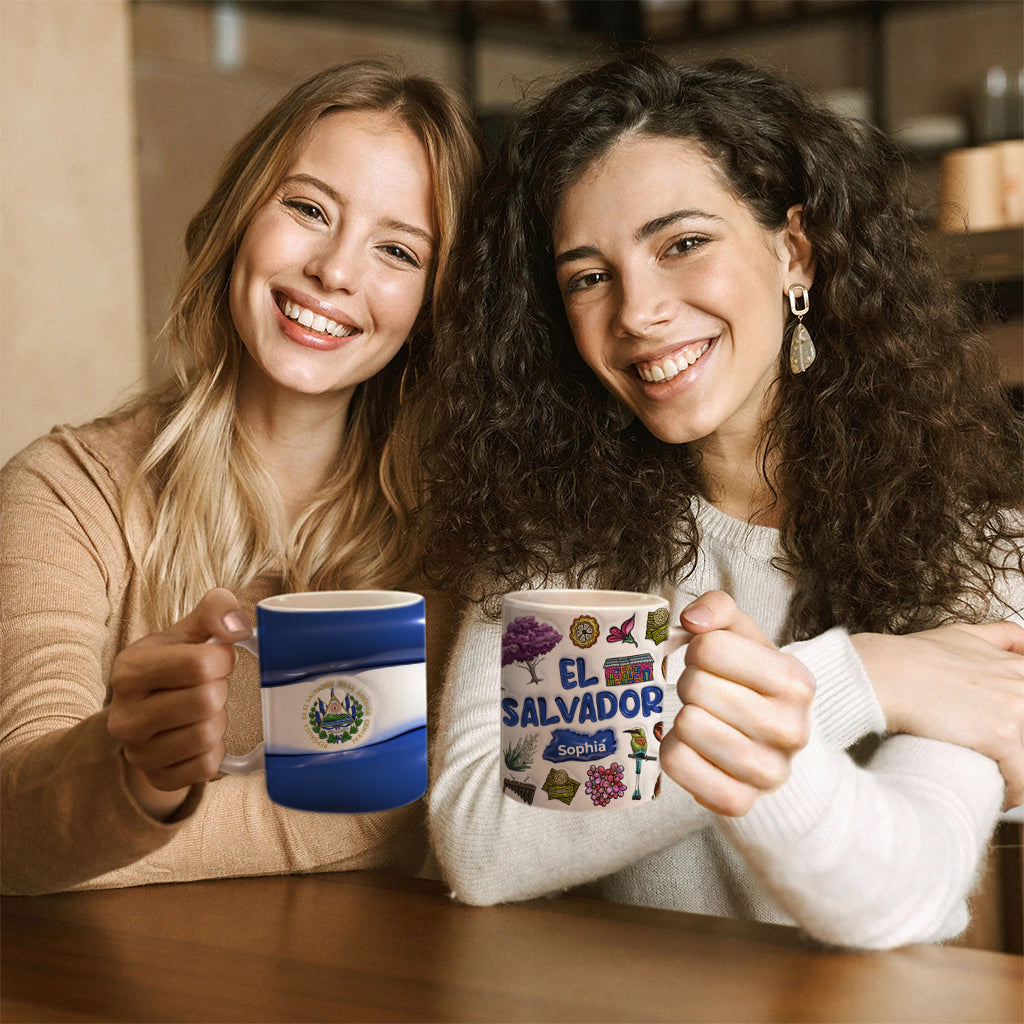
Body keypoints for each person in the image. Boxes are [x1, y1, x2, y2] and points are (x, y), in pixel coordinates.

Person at [416, 53, 1024, 949]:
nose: (637, 311)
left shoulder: (975, 545)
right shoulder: (557, 541)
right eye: (588, 276)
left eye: (682, 244)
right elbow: (483, 844)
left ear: (794, 252)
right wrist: (858, 676)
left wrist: (770, 695)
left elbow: (900, 891)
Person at [0, 59, 482, 895]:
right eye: (306, 208)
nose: (335, 270)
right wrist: (137, 776)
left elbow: (430, 804)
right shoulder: (65, 492)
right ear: (237, 220)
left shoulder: (458, 532)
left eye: (397, 250)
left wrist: (123, 833)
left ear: (434, 304)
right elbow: (16, 825)